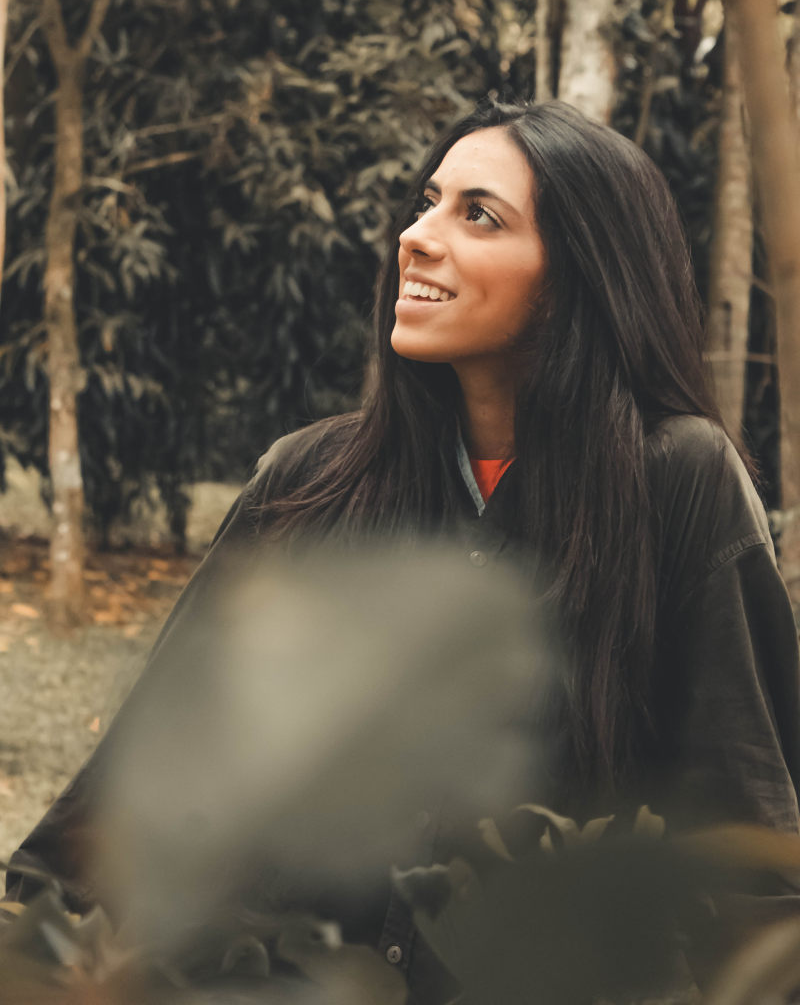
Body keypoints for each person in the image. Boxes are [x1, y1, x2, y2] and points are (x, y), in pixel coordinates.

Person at [5, 99, 800, 1001]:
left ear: (583, 275)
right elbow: (118, 813)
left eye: (479, 215)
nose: (416, 237)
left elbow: (751, 855)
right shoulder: (308, 480)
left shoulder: (681, 480)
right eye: (428, 203)